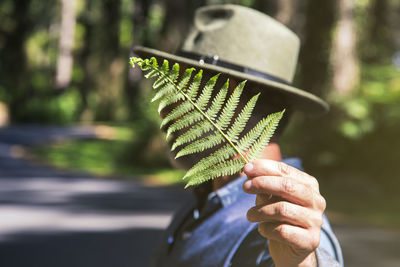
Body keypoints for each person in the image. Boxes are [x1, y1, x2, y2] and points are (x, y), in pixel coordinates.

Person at [135, 4, 344, 267]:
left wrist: (301, 262)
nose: (163, 108)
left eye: (177, 92)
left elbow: (299, 254)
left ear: (223, 98)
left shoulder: (282, 219)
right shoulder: (207, 198)